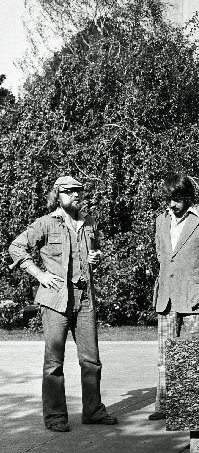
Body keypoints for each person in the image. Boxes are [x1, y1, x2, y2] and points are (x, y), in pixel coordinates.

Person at [8, 175, 117, 431]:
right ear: (58, 194)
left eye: (79, 189)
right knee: (54, 363)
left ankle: (93, 411)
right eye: (70, 191)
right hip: (56, 300)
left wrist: (95, 257)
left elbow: (94, 250)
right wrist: (40, 275)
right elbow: (16, 248)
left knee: (91, 360)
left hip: (85, 298)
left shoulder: (88, 221)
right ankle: (56, 417)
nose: (77, 194)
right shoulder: (45, 223)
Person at [149, 174, 199, 421]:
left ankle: (196, 406)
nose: (172, 204)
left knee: (195, 356)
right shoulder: (161, 221)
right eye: (169, 199)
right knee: (164, 356)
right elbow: (162, 256)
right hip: (167, 299)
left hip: (195, 299)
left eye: (178, 199)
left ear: (188, 198)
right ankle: (164, 405)